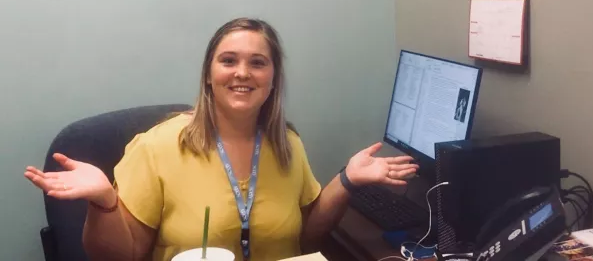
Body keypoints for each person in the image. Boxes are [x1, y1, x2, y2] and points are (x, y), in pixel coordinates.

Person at [24, 18, 418, 261]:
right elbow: (121, 257)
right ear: (209, 75)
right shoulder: (158, 147)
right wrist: (103, 202)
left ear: (273, 79)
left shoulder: (286, 144)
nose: (242, 73)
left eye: (258, 62)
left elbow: (305, 237)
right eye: (228, 60)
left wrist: (347, 180)